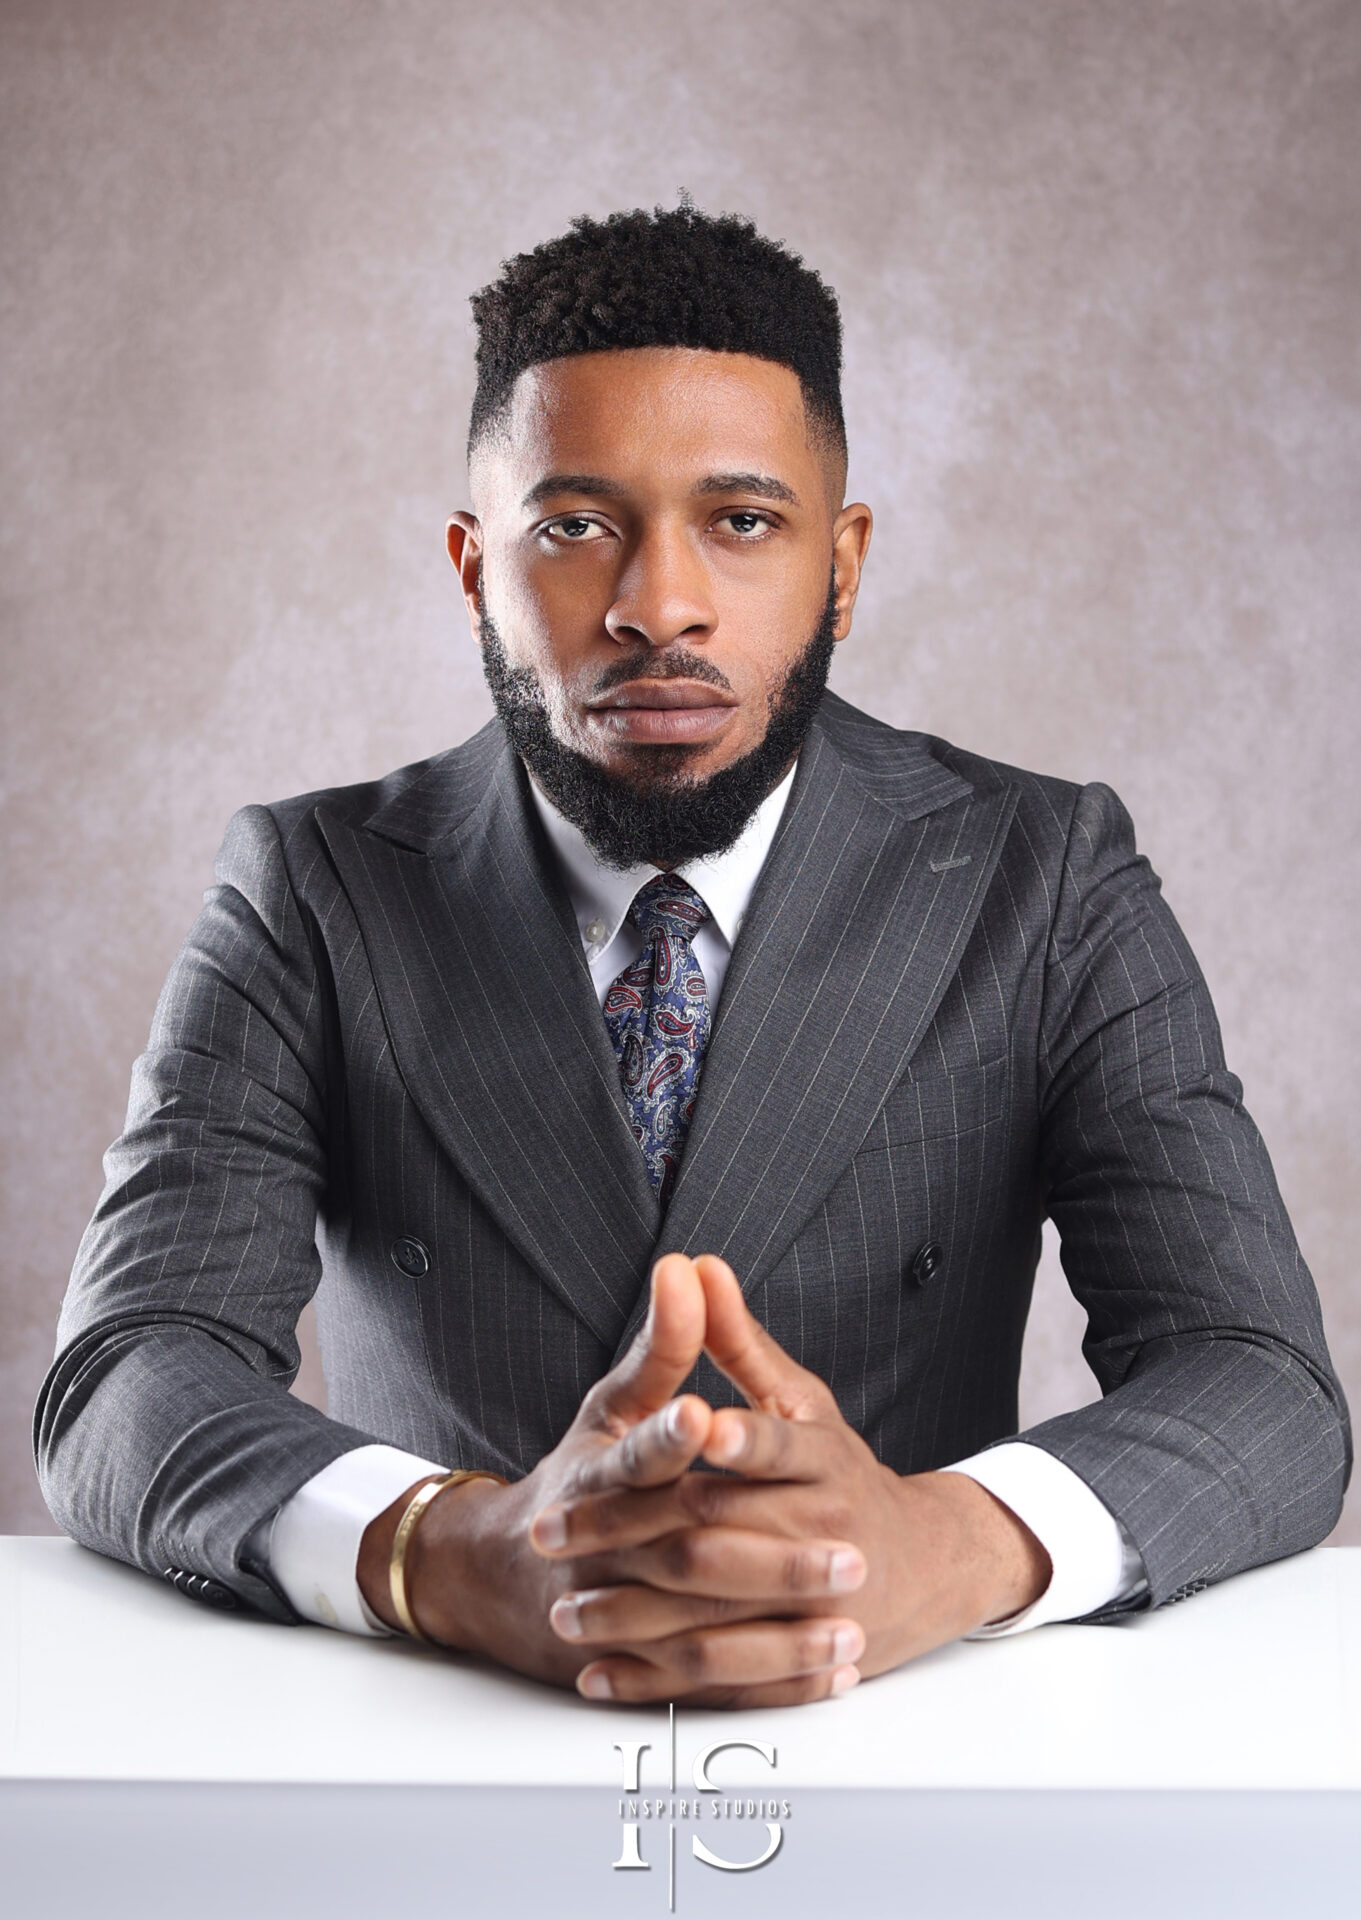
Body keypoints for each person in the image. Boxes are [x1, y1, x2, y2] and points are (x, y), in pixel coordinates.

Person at [36, 206, 1349, 1710]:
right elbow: (128, 1372)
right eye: (575, 524)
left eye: (740, 521)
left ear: (841, 564)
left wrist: (952, 1544)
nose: (658, 607)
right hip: (433, 1734)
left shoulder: (1039, 877)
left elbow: (1259, 1380)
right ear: (473, 567)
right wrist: (448, 1551)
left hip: (903, 1738)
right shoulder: (313, 886)